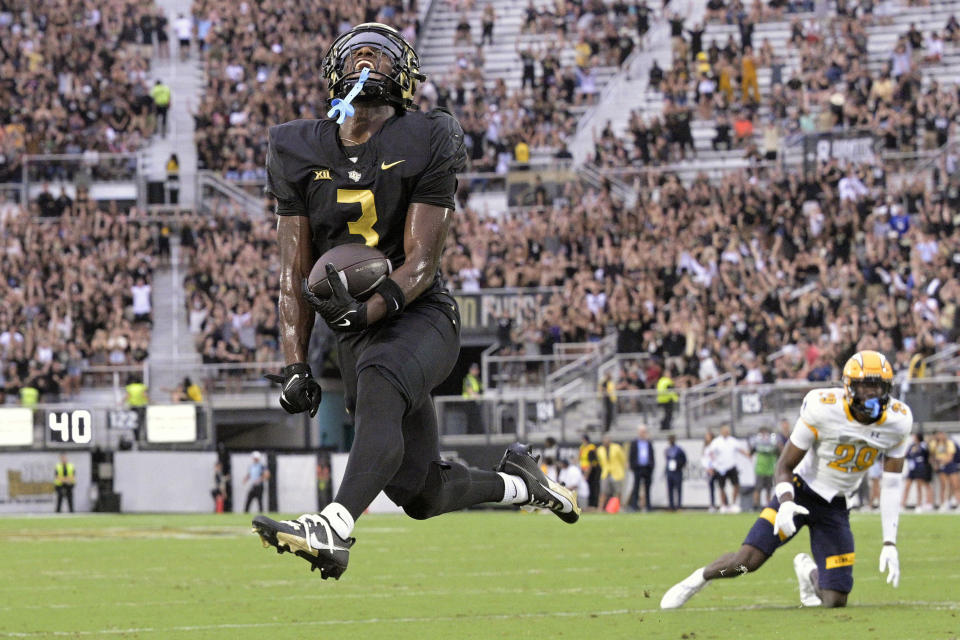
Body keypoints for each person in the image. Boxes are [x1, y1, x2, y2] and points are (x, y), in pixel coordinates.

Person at [252, 23, 579, 580]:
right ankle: (524, 482)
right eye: (356, 53)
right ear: (334, 71)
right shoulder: (295, 146)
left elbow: (423, 261)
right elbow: (293, 273)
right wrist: (294, 362)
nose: (366, 61)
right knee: (421, 491)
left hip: (419, 312)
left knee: (381, 374)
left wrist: (371, 309)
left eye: (379, 54)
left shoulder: (426, 135)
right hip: (357, 333)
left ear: (404, 74)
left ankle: (332, 527)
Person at [661, 351, 911, 610]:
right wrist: (787, 501)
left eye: (877, 386)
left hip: (835, 506)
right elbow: (784, 465)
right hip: (799, 492)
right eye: (864, 385)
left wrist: (889, 542)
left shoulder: (897, 421)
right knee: (745, 562)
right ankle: (700, 578)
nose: (871, 393)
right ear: (849, 386)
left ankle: (807, 571)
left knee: (835, 599)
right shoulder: (823, 408)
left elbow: (892, 484)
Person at [706, 425, 749, 512]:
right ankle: (723, 505)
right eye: (725, 430)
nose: (726, 432)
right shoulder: (716, 442)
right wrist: (710, 466)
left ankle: (733, 504)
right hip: (721, 468)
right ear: (721, 431)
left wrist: (748, 454)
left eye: (727, 430)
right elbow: (710, 453)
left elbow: (740, 449)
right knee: (721, 487)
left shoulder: (733, 441)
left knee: (736, 485)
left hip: (731, 466)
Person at [901, 433, 933, 512]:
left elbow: (927, 454)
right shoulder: (911, 446)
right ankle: (902, 504)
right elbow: (907, 455)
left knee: (919, 487)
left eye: (915, 436)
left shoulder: (923, 445)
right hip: (912, 468)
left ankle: (919, 505)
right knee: (907, 486)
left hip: (919, 468)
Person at [751, 426, 781, 509]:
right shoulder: (757, 443)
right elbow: (751, 452)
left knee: (768, 489)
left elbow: (779, 453)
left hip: (770, 470)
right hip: (760, 469)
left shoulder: (773, 443)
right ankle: (755, 506)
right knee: (758, 488)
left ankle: (768, 505)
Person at [596, 434, 627, 511]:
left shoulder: (616, 448)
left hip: (616, 472)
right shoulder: (600, 450)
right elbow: (600, 461)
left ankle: (619, 507)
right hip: (606, 472)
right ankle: (600, 508)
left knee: (618, 491)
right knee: (603, 491)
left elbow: (623, 459)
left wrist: (623, 469)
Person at [628, 425, 655, 511]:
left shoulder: (648, 443)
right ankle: (634, 506)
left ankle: (648, 506)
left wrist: (651, 465)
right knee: (636, 487)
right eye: (641, 432)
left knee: (647, 488)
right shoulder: (634, 443)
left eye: (644, 432)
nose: (643, 433)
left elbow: (652, 455)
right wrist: (633, 466)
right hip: (638, 468)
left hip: (647, 467)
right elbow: (631, 455)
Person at [664, 434, 687, 511]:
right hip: (670, 472)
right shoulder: (667, 450)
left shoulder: (679, 450)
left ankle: (679, 505)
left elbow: (684, 460)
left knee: (678, 489)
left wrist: (678, 465)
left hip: (677, 472)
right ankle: (671, 506)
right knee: (670, 489)